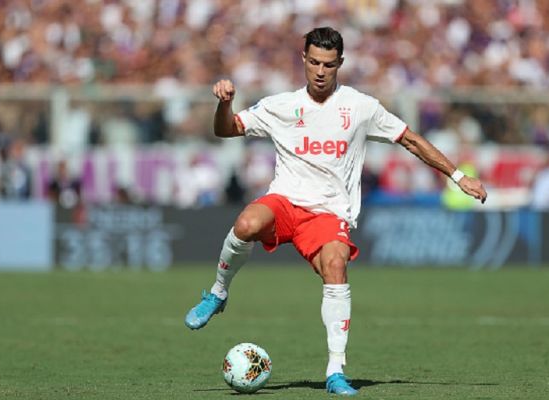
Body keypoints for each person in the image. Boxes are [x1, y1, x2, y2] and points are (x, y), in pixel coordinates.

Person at [184, 27, 487, 396]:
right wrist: (224, 102)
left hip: (329, 213)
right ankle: (217, 294)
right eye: (314, 62)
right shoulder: (280, 105)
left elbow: (409, 139)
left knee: (336, 266)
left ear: (340, 63)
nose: (321, 71)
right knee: (246, 223)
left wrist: (457, 176)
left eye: (329, 64)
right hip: (286, 201)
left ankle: (335, 371)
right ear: (304, 60)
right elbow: (226, 130)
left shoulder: (361, 107)